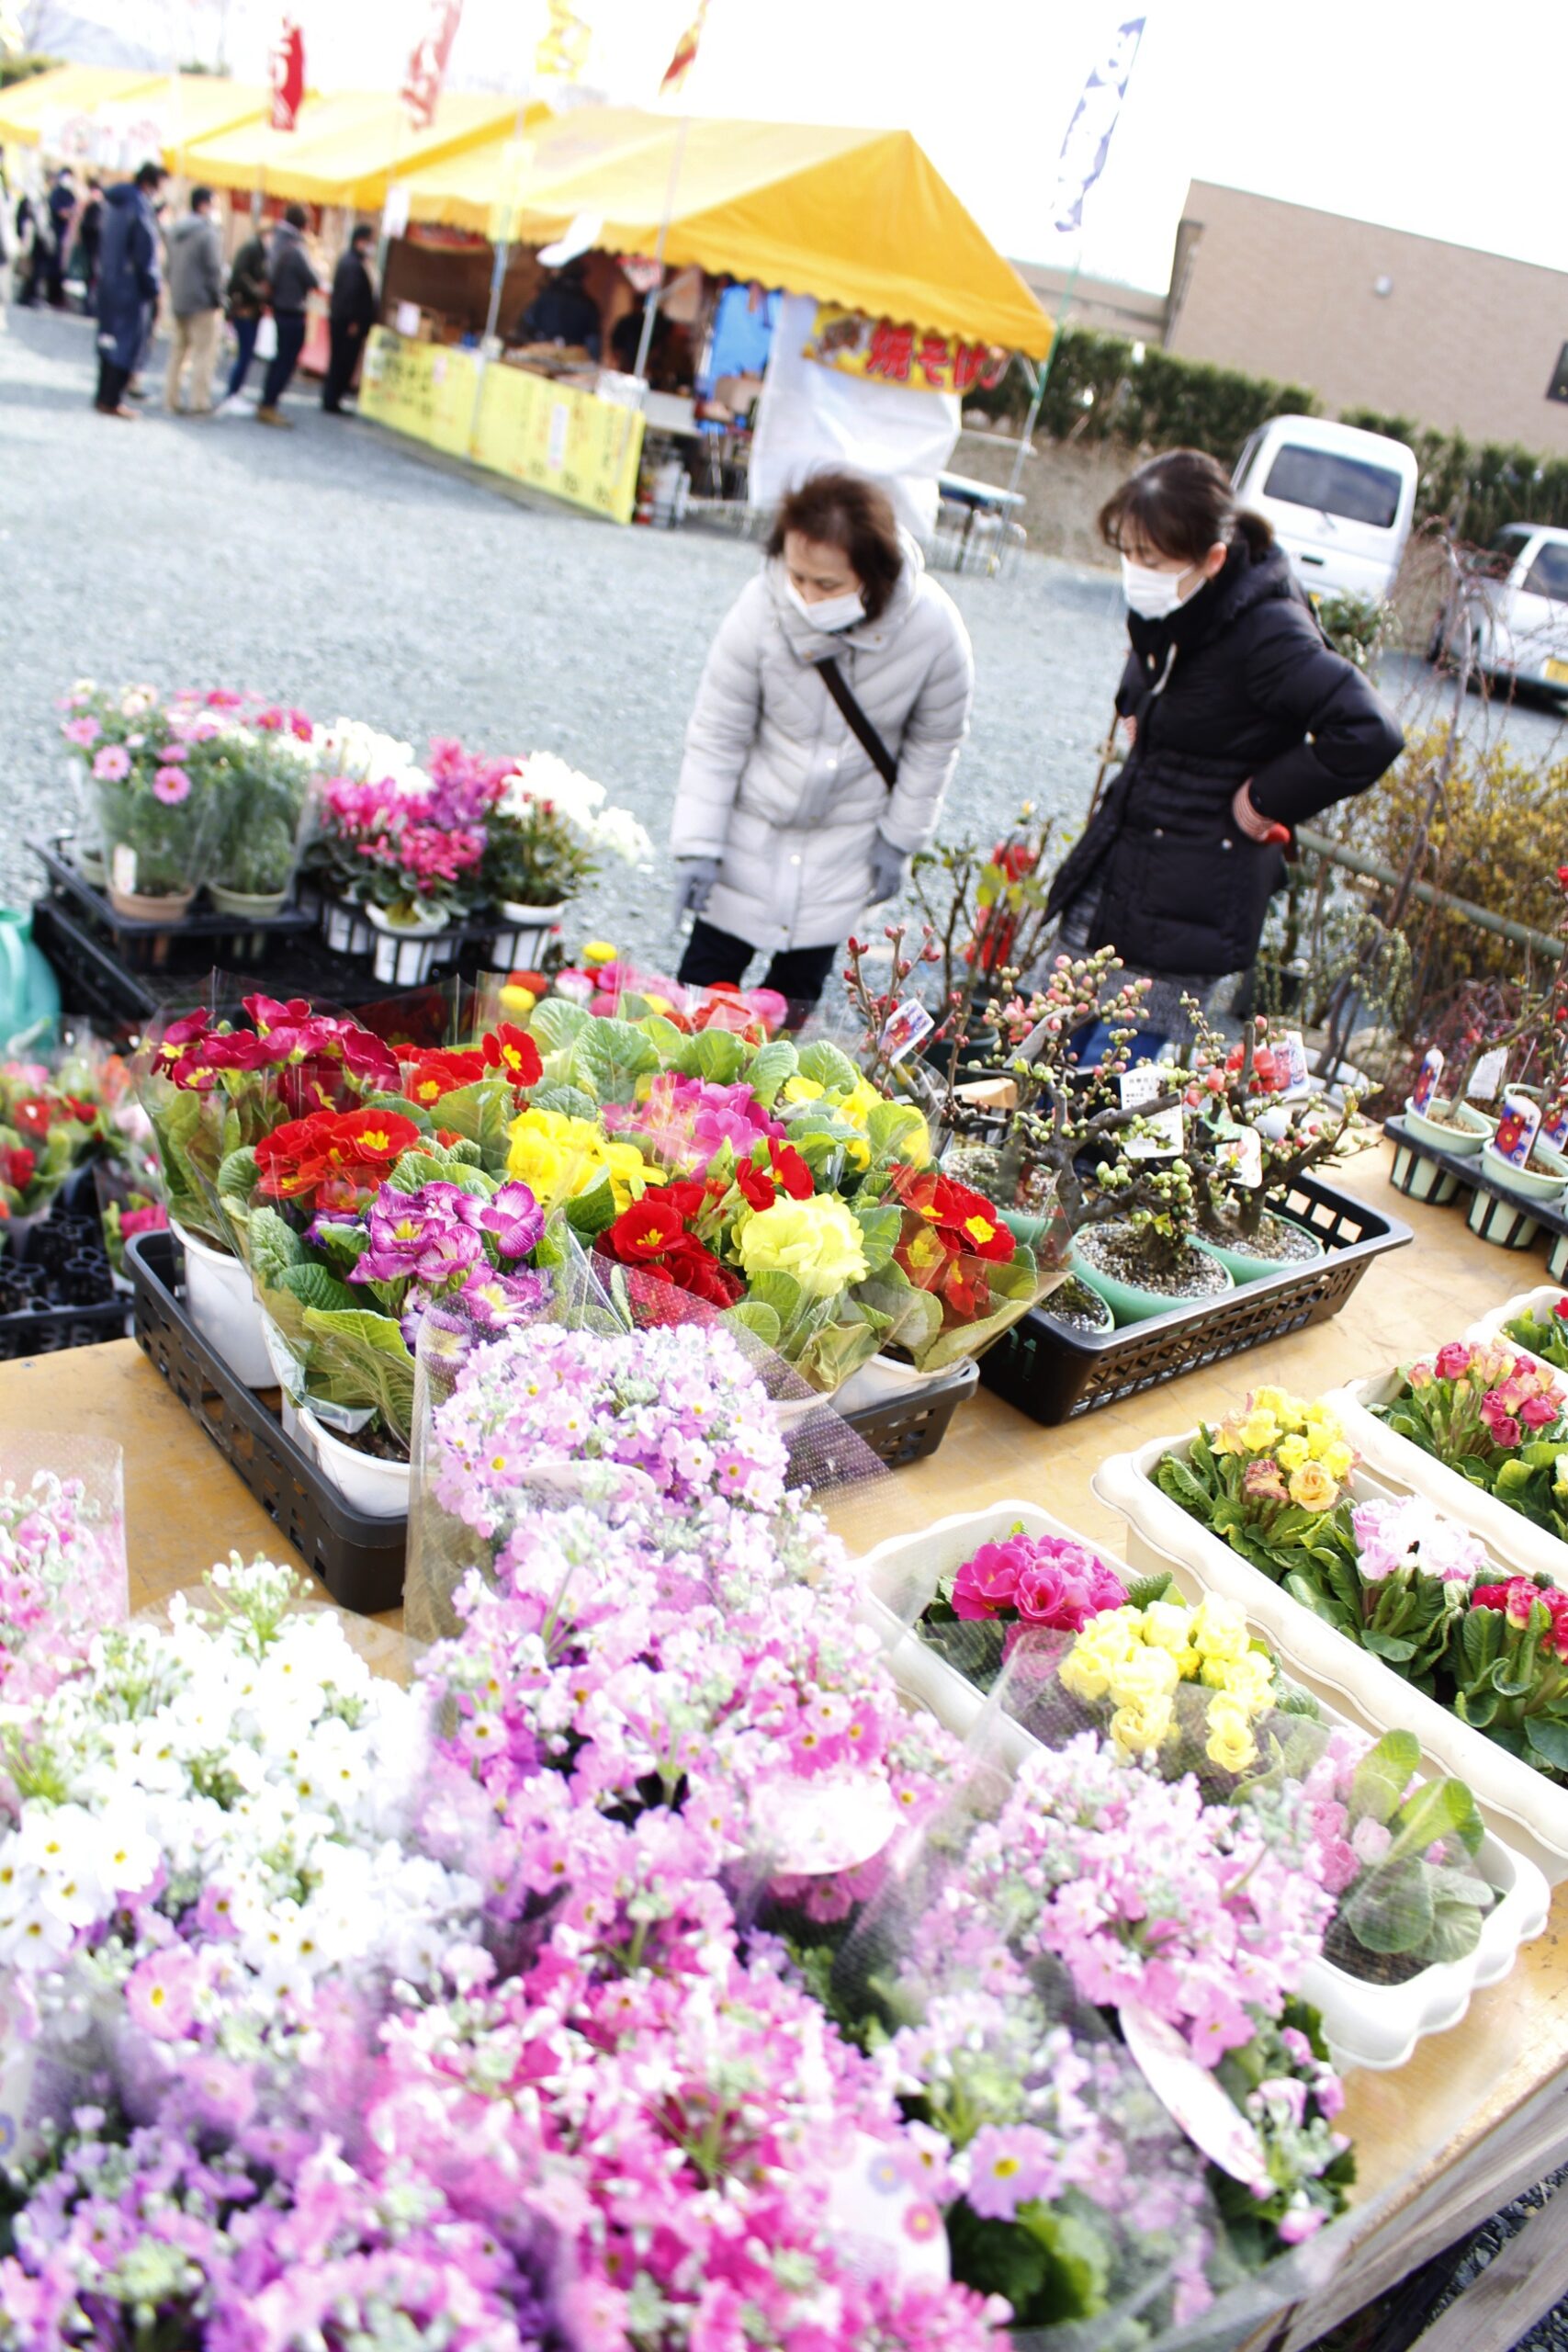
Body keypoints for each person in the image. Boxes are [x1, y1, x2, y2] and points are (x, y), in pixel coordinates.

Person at [1043, 447, 1405, 1062]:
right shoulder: (1187, 598)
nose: (1135, 571)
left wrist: (1262, 801)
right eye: (1128, 554)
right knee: (1048, 1051)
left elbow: (1368, 730)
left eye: (1150, 560)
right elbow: (1152, 666)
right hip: (1126, 859)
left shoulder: (1269, 631)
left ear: (1212, 558)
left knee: (1103, 1079)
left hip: (1191, 888)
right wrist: (1137, 704)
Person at [670, 468, 974, 1027]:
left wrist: (899, 840)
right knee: (699, 995)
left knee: (791, 1010)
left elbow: (936, 742)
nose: (807, 596)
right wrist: (698, 845)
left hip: (845, 844)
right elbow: (718, 733)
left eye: (828, 585)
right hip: (750, 833)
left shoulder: (933, 628)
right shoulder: (759, 606)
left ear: (873, 573)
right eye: (798, 576)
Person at [93, 161, 164, 419]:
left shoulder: (112, 203)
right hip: (131, 285)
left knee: (107, 339)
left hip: (108, 280)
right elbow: (144, 251)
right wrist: (153, 286)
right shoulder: (139, 206)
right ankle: (112, 399)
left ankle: (103, 396)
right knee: (128, 343)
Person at [164, 185, 224, 416]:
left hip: (179, 298)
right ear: (203, 205)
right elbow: (213, 269)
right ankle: (199, 402)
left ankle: (171, 398)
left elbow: (168, 267)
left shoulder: (176, 231)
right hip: (201, 302)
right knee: (203, 354)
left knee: (178, 352)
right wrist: (218, 296)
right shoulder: (207, 233)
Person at [257, 202, 319, 426]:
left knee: (279, 358)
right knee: (286, 361)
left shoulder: (278, 240)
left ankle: (267, 402)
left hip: (280, 306)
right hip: (292, 308)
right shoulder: (297, 248)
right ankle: (269, 404)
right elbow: (314, 279)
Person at [322, 221, 377, 413]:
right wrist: (353, 321)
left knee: (339, 361)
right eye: (371, 241)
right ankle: (332, 399)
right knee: (342, 361)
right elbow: (350, 294)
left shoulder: (349, 261)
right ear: (361, 241)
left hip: (342, 319)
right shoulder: (353, 264)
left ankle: (332, 398)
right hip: (346, 322)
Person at [220, 218, 269, 407]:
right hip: (244, 308)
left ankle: (234, 392)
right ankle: (232, 393)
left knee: (246, 353)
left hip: (252, 309)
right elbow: (239, 277)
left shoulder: (260, 252)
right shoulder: (251, 250)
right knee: (245, 353)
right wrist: (257, 291)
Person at [516, 259, 600, 356]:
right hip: (572, 360)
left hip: (540, 353)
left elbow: (527, 324)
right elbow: (593, 343)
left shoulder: (546, 296)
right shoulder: (588, 304)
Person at [45, 167, 75, 306]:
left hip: (66, 236)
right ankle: (52, 296)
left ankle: (58, 297)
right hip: (55, 233)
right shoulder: (56, 193)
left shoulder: (70, 194)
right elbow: (59, 211)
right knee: (54, 267)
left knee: (62, 268)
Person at [76, 178, 103, 311]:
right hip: (93, 248)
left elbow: (90, 227)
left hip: (95, 248)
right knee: (91, 276)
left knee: (93, 276)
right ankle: (89, 304)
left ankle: (90, 304)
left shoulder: (97, 205)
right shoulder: (93, 205)